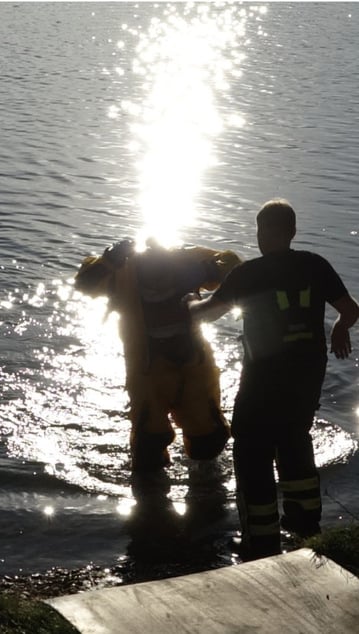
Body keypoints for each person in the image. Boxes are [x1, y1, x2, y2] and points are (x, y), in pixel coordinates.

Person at [187, 199, 359, 560]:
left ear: (264, 233)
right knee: (295, 440)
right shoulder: (316, 265)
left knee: (252, 450)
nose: (263, 237)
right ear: (293, 232)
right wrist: (341, 329)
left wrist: (187, 301)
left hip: (263, 379)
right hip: (307, 376)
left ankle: (260, 540)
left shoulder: (248, 274)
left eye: (264, 230)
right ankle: (306, 528)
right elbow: (351, 310)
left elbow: (208, 315)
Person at [75, 238, 242, 473]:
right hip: (147, 372)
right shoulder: (123, 272)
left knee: (209, 440)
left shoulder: (188, 261)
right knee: (149, 444)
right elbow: (84, 284)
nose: (158, 282)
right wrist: (109, 260)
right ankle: (152, 496)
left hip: (193, 367)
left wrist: (210, 268)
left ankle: (205, 478)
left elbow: (235, 266)